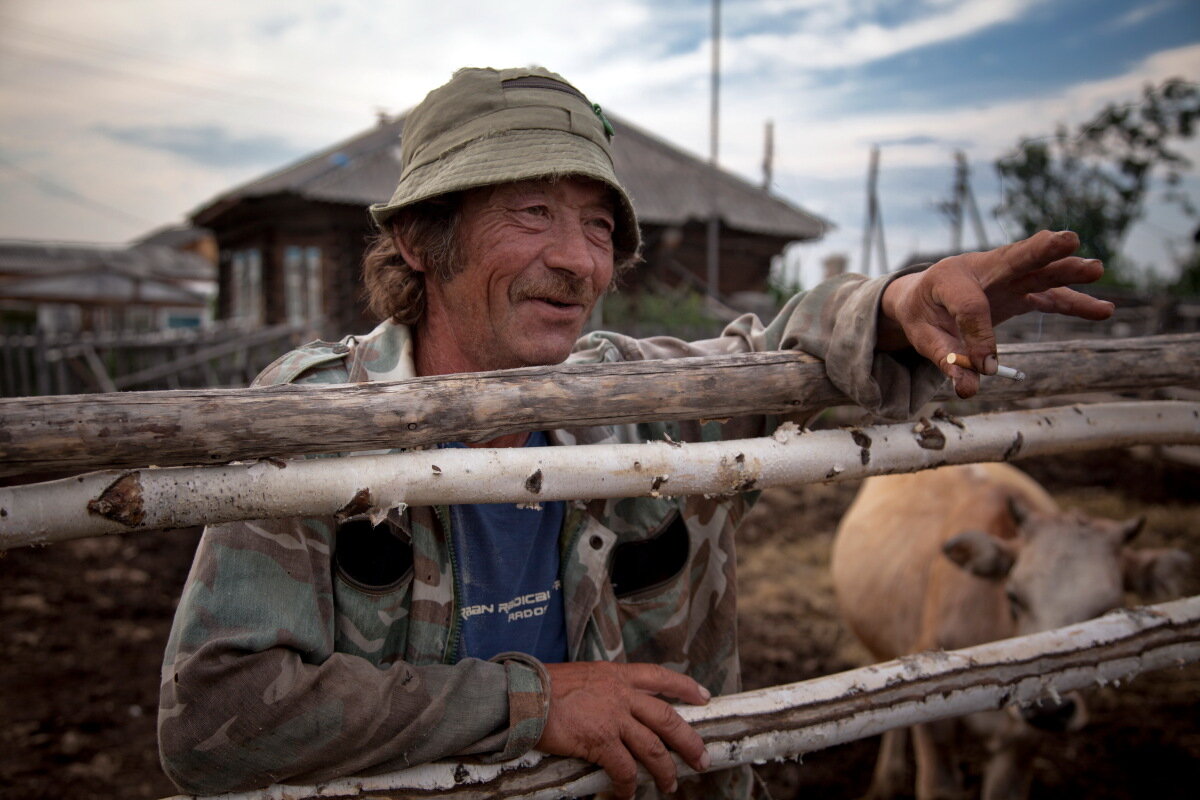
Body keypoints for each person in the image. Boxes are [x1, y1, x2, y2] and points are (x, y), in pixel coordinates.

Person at [158, 66, 1113, 800]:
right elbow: (216, 713)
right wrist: (536, 705)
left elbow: (781, 353)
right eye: (531, 213)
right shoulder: (319, 422)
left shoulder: (637, 399)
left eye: (599, 227)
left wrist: (900, 302)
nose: (577, 261)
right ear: (419, 239)